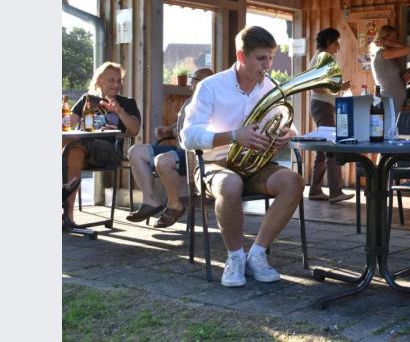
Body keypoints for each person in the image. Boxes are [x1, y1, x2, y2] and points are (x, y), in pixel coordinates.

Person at [180, 26, 304, 288]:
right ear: (241, 56)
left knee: (293, 181)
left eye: (270, 58)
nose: (268, 65)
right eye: (261, 58)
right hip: (215, 164)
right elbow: (187, 136)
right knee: (230, 184)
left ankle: (257, 254)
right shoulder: (210, 86)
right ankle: (235, 257)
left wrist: (288, 133)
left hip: (256, 165)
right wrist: (234, 136)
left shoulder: (271, 86)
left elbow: (293, 125)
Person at [126, 68, 214, 228]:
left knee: (163, 161)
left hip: (196, 154)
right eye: (193, 79)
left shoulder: (212, 102)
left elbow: (200, 130)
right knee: (135, 151)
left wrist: (174, 131)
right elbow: (185, 124)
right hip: (181, 151)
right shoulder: (192, 100)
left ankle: (175, 205)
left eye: (194, 79)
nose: (192, 83)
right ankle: (150, 201)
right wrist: (169, 129)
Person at [63, 62, 141, 230]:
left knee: (72, 147)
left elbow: (134, 129)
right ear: (99, 81)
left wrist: (119, 111)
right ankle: (67, 216)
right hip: (79, 150)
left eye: (119, 81)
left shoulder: (127, 103)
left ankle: (67, 214)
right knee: (72, 149)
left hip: (108, 151)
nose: (116, 84)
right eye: (111, 80)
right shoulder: (87, 99)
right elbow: (67, 124)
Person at [308, 28, 354, 203]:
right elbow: (316, 86)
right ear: (328, 42)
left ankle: (315, 190)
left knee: (323, 148)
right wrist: (339, 87)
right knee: (331, 148)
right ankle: (335, 191)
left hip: (323, 105)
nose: (339, 46)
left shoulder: (322, 58)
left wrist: (338, 86)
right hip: (322, 105)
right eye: (336, 42)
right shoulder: (323, 59)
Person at [369, 25, 410, 116]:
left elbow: (391, 79)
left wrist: (405, 76)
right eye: (392, 38)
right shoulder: (382, 53)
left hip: (393, 101)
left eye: (395, 38)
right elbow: (408, 49)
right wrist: (389, 43)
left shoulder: (388, 56)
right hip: (387, 100)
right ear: (384, 38)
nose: (395, 40)